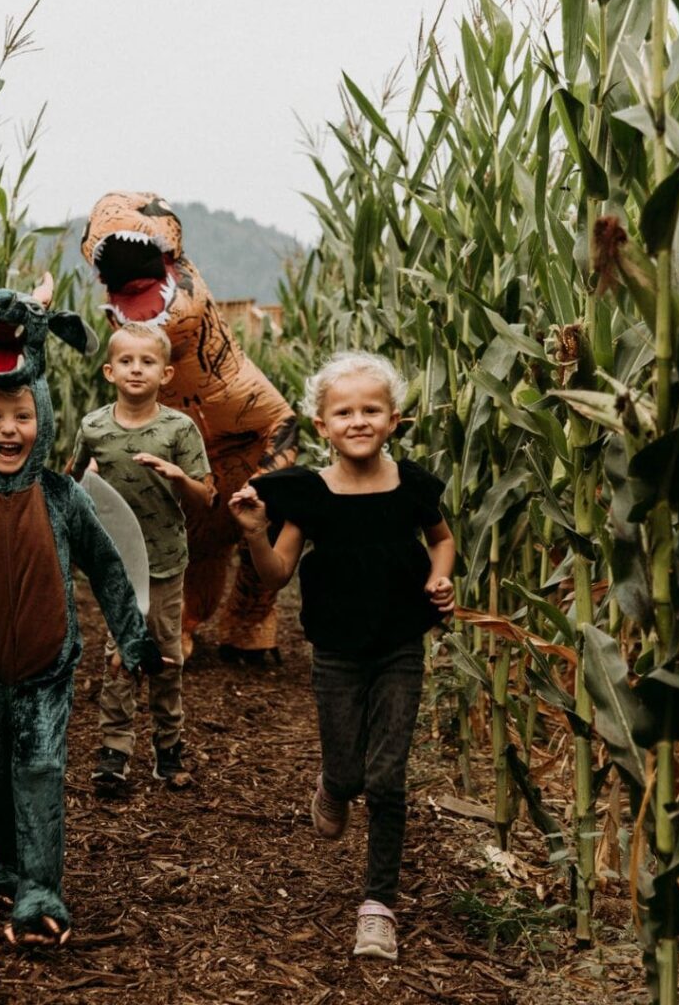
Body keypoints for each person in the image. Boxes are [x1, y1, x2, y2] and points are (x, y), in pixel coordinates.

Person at [0, 277, 173, 948]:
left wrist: (134, 640)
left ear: (42, 418)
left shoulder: (62, 496)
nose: (7, 430)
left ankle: (42, 888)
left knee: (41, 766)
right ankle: (6, 864)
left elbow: (108, 569)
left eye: (21, 416)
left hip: (49, 660)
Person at [227, 350, 455, 962]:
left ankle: (377, 907)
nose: (359, 420)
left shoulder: (412, 487)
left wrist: (440, 578)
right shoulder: (310, 496)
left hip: (401, 646)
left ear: (394, 420)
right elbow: (276, 576)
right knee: (351, 774)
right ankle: (332, 785)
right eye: (344, 411)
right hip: (335, 653)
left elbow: (442, 538)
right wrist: (253, 532)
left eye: (371, 409)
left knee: (386, 780)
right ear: (322, 425)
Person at [70, 322, 214, 788]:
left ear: (166, 374)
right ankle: (114, 750)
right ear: (109, 371)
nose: (137, 369)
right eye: (127, 362)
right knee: (119, 655)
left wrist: (178, 475)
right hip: (114, 565)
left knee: (166, 656)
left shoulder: (179, 428)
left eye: (147, 361)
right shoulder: (93, 427)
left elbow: (206, 497)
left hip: (166, 561)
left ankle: (168, 747)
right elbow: (70, 491)